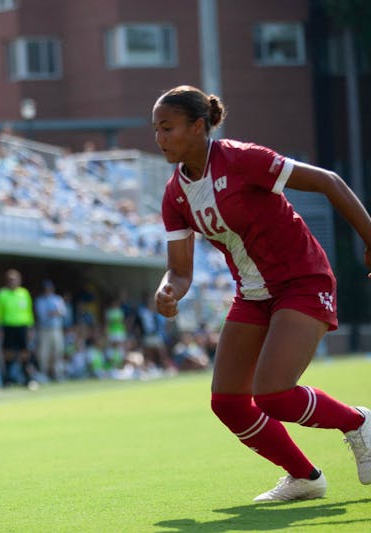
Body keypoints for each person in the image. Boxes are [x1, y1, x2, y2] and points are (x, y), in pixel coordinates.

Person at [151, 84, 371, 502]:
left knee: (272, 394)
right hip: (253, 294)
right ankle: (305, 477)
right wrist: (168, 290)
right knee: (228, 402)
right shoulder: (174, 194)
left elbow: (329, 181)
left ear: (198, 127)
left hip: (303, 280)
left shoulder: (243, 158)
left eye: (167, 128)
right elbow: (179, 272)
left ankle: (358, 422)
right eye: (156, 129)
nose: (159, 138)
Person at [0, 268, 35, 385]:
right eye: (10, 280)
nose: (13, 281)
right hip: (8, 326)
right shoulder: (2, 294)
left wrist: (30, 327)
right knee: (8, 352)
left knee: (24, 352)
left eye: (15, 279)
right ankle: (8, 378)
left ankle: (27, 377)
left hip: (22, 326)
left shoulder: (24, 293)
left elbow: (29, 311)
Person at [33, 279, 66, 380]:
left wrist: (54, 313)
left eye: (49, 288)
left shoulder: (57, 299)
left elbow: (63, 312)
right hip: (44, 329)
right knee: (43, 353)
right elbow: (43, 315)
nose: (48, 290)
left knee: (58, 351)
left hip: (56, 329)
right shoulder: (40, 300)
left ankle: (59, 374)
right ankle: (44, 374)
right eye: (46, 288)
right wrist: (54, 312)